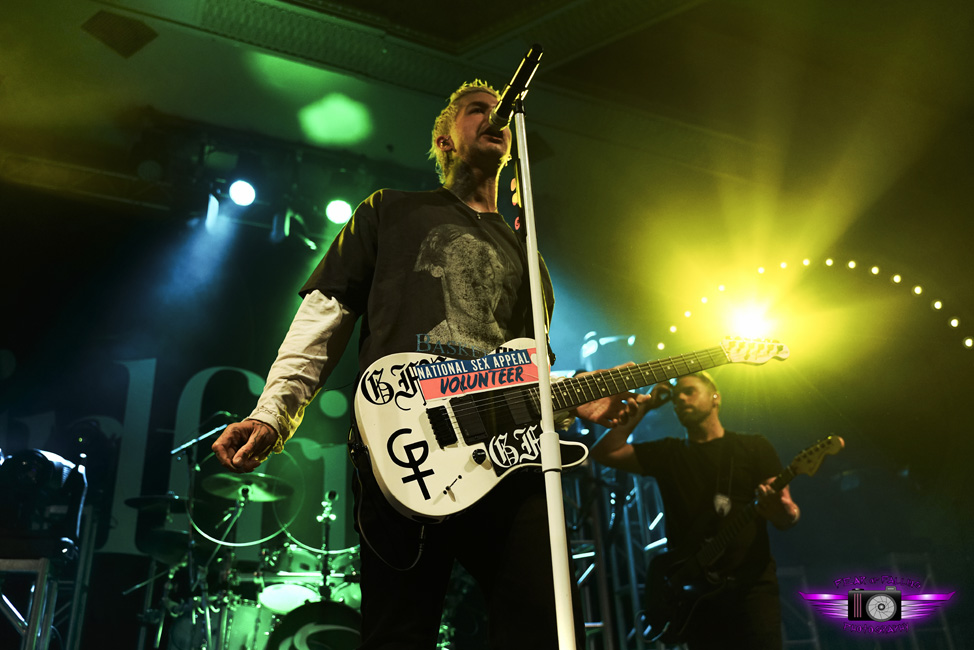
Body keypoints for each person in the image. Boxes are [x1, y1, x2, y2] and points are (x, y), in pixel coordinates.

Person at [211, 80, 641, 650]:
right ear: (444, 140)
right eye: (477, 111)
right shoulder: (391, 210)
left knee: (540, 622)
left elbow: (525, 369)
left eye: (501, 113)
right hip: (406, 442)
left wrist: (573, 398)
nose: (496, 117)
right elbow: (326, 312)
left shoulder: (528, 255)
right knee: (398, 632)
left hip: (504, 458)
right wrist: (273, 414)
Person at [590, 372, 800, 650]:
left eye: (690, 391)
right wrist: (646, 405)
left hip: (751, 589)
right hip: (694, 596)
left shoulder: (752, 447)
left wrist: (782, 510)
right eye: (676, 397)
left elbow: (786, 513)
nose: (681, 400)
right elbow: (605, 452)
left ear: (716, 397)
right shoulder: (668, 453)